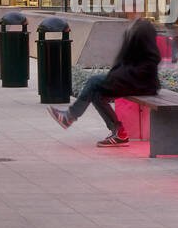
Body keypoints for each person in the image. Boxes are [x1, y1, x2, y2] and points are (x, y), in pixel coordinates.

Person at [48, 17, 161, 146]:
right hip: (131, 79)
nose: (125, 10)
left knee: (94, 82)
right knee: (97, 94)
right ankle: (120, 134)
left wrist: (123, 75)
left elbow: (152, 58)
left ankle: (70, 116)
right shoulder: (133, 27)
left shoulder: (144, 27)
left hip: (141, 83)